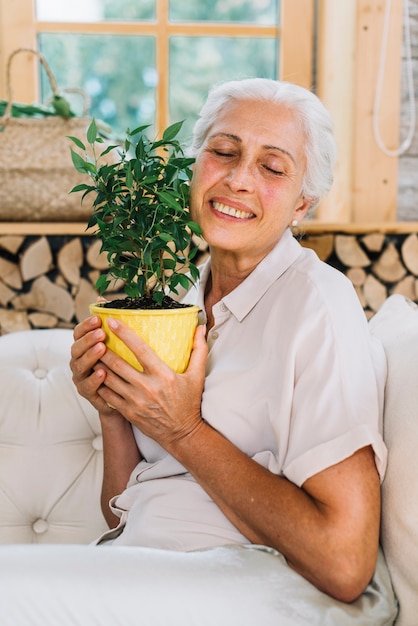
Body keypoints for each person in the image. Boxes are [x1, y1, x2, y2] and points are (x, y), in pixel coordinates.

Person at [70, 78, 397, 622]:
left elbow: (345, 562)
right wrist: (113, 410)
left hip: (238, 590)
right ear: (195, 169)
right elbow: (123, 517)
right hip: (138, 573)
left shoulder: (318, 305)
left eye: (273, 168)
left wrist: (184, 430)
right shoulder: (178, 302)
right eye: (223, 152)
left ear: (303, 203)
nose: (239, 179)